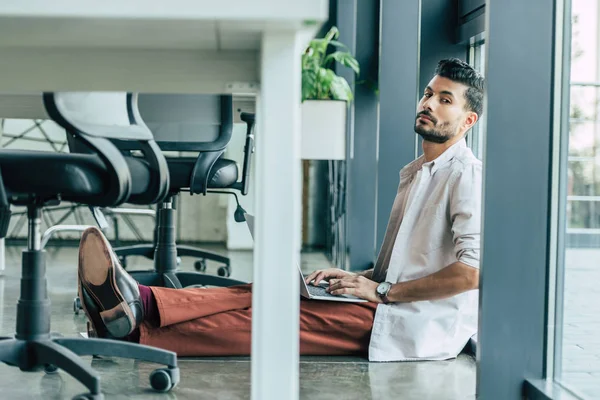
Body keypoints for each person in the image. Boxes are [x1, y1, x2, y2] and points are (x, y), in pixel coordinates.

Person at [77, 58, 484, 362]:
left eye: (445, 100)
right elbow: (410, 265)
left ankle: (132, 333)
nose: (429, 103)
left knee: (270, 320)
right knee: (270, 291)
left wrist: (382, 291)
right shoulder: (421, 170)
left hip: (411, 322)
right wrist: (357, 278)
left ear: (468, 121)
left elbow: (472, 272)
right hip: (386, 300)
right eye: (429, 93)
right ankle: (141, 302)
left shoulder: (465, 175)